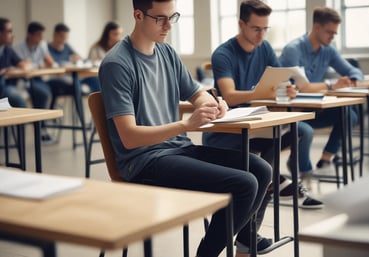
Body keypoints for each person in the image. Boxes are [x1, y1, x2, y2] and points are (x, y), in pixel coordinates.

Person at [99, 1, 272, 256]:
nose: (169, 26)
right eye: (160, 19)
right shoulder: (118, 64)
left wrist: (213, 104)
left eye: (173, 17)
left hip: (177, 149)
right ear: (138, 15)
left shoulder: (166, 53)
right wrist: (186, 124)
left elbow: (196, 93)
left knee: (261, 169)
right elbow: (129, 137)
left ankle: (238, 245)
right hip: (144, 162)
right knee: (244, 183)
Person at [202, 0, 322, 210]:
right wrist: (259, 93)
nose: (261, 35)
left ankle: (272, 182)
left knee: (300, 130)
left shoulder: (264, 47)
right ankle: (275, 184)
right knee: (277, 135)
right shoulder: (223, 54)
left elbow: (279, 81)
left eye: (265, 29)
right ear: (241, 24)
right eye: (256, 29)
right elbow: (229, 96)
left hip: (258, 123)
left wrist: (287, 89)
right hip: (228, 130)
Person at [279, 6, 363, 171]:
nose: (333, 36)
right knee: (305, 131)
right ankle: (304, 171)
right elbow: (302, 88)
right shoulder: (293, 50)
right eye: (329, 32)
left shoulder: (328, 50)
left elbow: (353, 71)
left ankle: (326, 157)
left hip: (315, 108)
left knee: (349, 115)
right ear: (316, 27)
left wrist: (352, 79)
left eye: (335, 33)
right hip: (292, 112)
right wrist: (332, 85)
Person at [13, 21, 56, 142]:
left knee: (48, 90)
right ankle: (41, 127)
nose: (41, 38)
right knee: (43, 93)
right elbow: (22, 67)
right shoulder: (18, 47)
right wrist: (37, 65)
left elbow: (50, 62)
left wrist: (34, 64)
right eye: (39, 35)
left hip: (38, 78)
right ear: (30, 35)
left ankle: (42, 125)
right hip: (23, 81)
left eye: (42, 35)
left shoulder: (42, 45)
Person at [47, 23, 100, 108]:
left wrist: (77, 59)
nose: (64, 40)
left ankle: (98, 111)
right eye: (62, 37)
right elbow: (51, 65)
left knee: (95, 80)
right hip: (57, 78)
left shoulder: (66, 46)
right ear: (55, 35)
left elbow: (79, 58)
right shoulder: (46, 48)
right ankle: (82, 119)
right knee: (76, 85)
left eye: (66, 37)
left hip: (73, 77)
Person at [0, 17, 30, 107]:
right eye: (9, 31)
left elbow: (24, 65)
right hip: (3, 87)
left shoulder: (7, 49)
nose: (12, 35)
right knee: (20, 101)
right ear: (0, 33)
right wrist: (5, 71)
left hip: (8, 85)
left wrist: (13, 69)